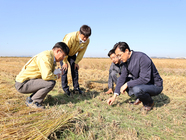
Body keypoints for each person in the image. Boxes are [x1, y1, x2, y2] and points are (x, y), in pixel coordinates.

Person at [107, 42, 163, 111]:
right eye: (117, 56)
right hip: (142, 84)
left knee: (137, 89)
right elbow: (122, 78)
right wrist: (114, 96)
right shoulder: (125, 62)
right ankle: (139, 97)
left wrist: (127, 84)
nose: (119, 58)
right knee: (119, 80)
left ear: (127, 51)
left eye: (119, 55)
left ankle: (149, 103)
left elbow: (145, 79)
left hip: (154, 85)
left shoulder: (142, 58)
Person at [15, 42, 69, 109]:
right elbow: (46, 76)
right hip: (22, 84)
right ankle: (34, 102)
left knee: (48, 81)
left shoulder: (50, 57)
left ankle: (31, 99)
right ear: (58, 51)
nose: (63, 58)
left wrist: (57, 72)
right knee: (50, 83)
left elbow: (47, 72)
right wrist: (56, 76)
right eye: (63, 55)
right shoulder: (46, 57)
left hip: (27, 81)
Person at [60, 25, 91, 96]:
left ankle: (76, 88)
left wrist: (76, 62)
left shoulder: (87, 41)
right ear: (80, 33)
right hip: (63, 53)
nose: (85, 39)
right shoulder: (70, 37)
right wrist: (64, 62)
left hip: (72, 53)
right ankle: (65, 89)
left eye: (87, 37)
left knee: (75, 69)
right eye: (84, 37)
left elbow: (82, 52)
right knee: (64, 70)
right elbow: (64, 49)